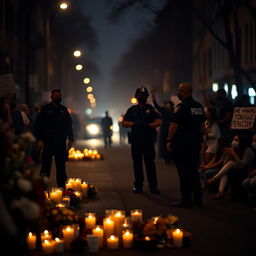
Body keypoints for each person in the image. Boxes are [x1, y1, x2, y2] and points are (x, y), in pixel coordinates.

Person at [167, 82, 206, 207]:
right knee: (193, 171)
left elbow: (174, 125)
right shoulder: (199, 107)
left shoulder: (181, 107)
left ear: (184, 92)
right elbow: (202, 126)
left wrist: (168, 140)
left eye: (179, 90)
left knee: (183, 172)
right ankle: (198, 198)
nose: (178, 92)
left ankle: (186, 199)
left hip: (182, 144)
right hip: (195, 144)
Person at [122, 86, 162, 194]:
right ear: (136, 97)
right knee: (137, 163)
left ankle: (153, 186)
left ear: (147, 97)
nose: (142, 97)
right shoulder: (132, 110)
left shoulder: (151, 109)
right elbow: (124, 123)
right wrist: (134, 124)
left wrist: (149, 125)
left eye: (144, 96)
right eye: (140, 96)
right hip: (136, 141)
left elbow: (159, 121)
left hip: (148, 141)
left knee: (150, 163)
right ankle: (138, 185)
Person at [35, 89, 73, 188]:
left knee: (61, 166)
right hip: (48, 142)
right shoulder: (45, 109)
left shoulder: (64, 110)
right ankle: (43, 187)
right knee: (45, 166)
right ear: (51, 97)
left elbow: (69, 125)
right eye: (56, 96)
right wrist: (39, 139)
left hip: (60, 142)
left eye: (59, 96)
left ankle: (62, 187)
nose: (58, 97)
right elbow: (38, 125)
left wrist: (71, 139)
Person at [206, 134, 255, 200]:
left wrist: (233, 154)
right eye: (234, 139)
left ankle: (215, 179)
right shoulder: (235, 148)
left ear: (242, 142)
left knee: (231, 164)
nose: (234, 141)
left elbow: (242, 165)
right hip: (236, 169)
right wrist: (229, 155)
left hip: (246, 171)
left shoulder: (248, 150)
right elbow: (225, 164)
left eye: (236, 140)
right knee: (226, 171)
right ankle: (220, 192)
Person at [151, 91, 174, 164]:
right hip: (164, 130)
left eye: (168, 104)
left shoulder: (174, 112)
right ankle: (166, 158)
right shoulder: (164, 110)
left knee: (172, 144)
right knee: (164, 144)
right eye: (167, 104)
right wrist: (154, 98)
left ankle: (171, 157)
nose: (167, 105)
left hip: (172, 130)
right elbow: (157, 106)